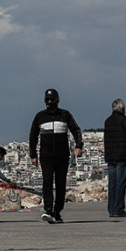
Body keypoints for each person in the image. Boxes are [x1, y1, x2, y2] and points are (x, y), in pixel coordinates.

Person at [29, 88, 83, 224]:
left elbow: (76, 129)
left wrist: (79, 145)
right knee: (47, 182)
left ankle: (57, 212)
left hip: (62, 156)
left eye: (52, 99)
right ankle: (48, 210)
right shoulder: (40, 116)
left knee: (60, 183)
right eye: (47, 100)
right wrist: (33, 154)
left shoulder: (65, 115)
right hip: (46, 156)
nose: (49, 102)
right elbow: (33, 135)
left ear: (58, 100)